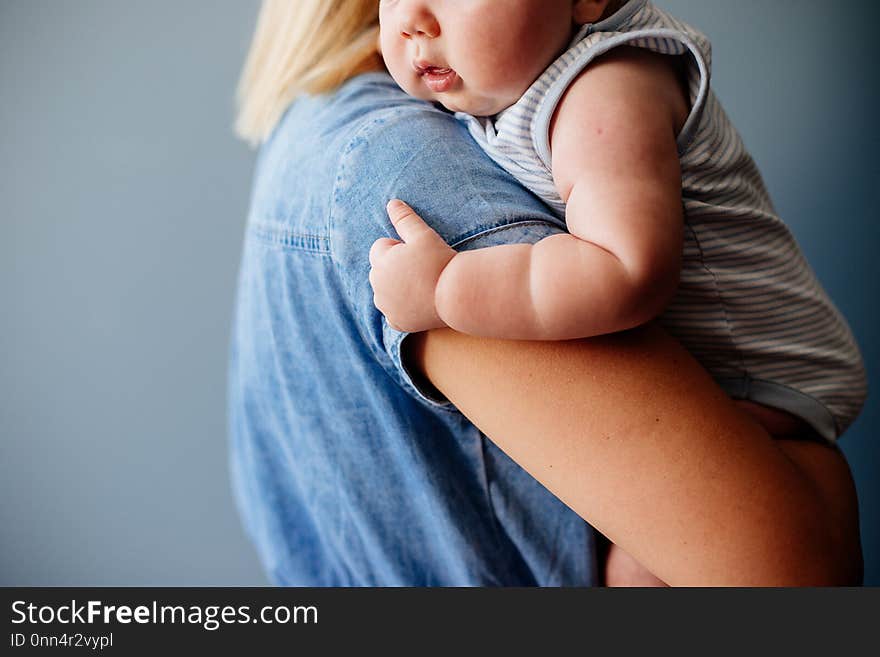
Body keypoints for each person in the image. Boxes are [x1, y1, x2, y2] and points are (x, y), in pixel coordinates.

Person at [229, 0, 863, 586]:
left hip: (765, 385)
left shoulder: (602, 90)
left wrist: (450, 287)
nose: (413, 20)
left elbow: (622, 271)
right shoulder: (421, 133)